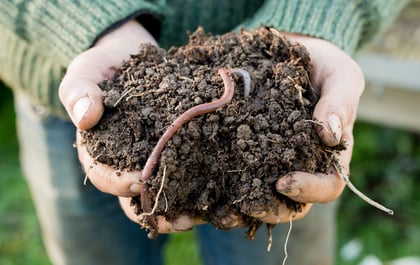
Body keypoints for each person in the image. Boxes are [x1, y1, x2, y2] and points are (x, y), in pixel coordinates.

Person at [0, 1, 408, 265]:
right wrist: (90, 21)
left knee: (278, 204)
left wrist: (322, 18)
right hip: (96, 100)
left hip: (284, 119)